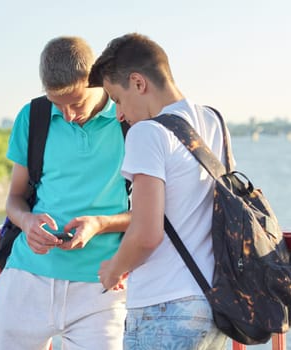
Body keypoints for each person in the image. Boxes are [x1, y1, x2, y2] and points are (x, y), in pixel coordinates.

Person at [0, 36, 130, 350]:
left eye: (75, 103)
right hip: (26, 280)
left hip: (102, 287)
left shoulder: (129, 120)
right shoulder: (32, 116)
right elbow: (14, 199)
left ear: (97, 81)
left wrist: (101, 224)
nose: (67, 114)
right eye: (56, 103)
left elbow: (152, 213)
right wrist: (26, 223)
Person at [90, 33, 229, 349]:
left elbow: (146, 234)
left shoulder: (148, 133)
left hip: (164, 308)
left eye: (117, 99)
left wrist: (114, 269)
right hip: (212, 305)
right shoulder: (213, 121)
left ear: (138, 83)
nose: (120, 114)